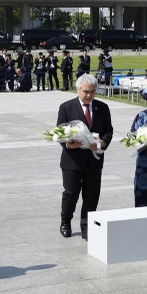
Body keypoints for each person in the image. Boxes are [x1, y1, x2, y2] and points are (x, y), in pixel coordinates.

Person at [57, 74, 113, 239]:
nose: (89, 95)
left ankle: (87, 227)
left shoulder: (102, 108)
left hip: (94, 160)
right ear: (78, 90)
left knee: (91, 195)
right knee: (71, 193)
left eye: (92, 92)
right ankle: (65, 221)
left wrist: (101, 143)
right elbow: (60, 131)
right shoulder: (66, 107)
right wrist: (68, 144)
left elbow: (108, 131)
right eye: (86, 91)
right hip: (72, 161)